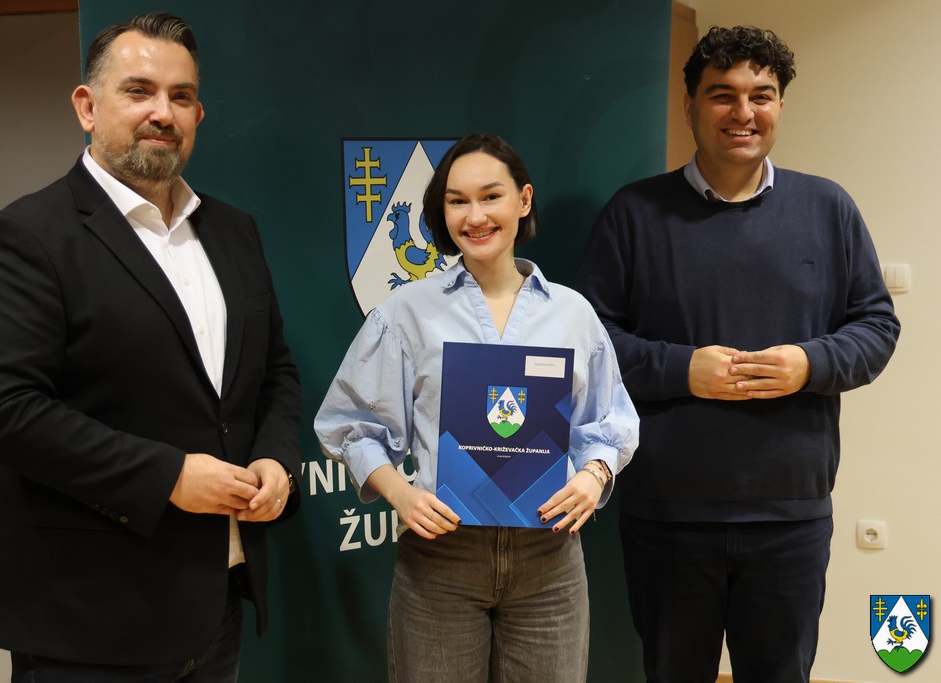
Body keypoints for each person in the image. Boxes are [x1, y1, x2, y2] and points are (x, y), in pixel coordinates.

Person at [0, 13, 302, 682]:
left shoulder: (234, 231)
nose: (162, 113)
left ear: (198, 114)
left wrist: (276, 458)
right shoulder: (27, 234)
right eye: (139, 91)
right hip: (88, 618)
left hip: (216, 601)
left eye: (180, 96)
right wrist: (168, 476)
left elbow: (275, 372)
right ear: (87, 107)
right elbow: (0, 409)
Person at [577, 26, 900, 683]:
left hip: (790, 516)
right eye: (722, 94)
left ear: (780, 105)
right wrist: (681, 369)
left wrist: (810, 363)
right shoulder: (633, 214)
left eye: (762, 94)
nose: (743, 112)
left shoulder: (828, 208)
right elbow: (588, 342)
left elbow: (876, 325)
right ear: (690, 104)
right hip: (667, 516)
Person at [315, 133, 639, 682]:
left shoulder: (572, 314)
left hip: (549, 557)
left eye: (491, 196)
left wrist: (594, 475)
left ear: (524, 200)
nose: (475, 216)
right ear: (442, 213)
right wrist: (400, 494)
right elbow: (352, 424)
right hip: (442, 554)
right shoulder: (407, 312)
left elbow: (611, 421)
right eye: (457, 201)